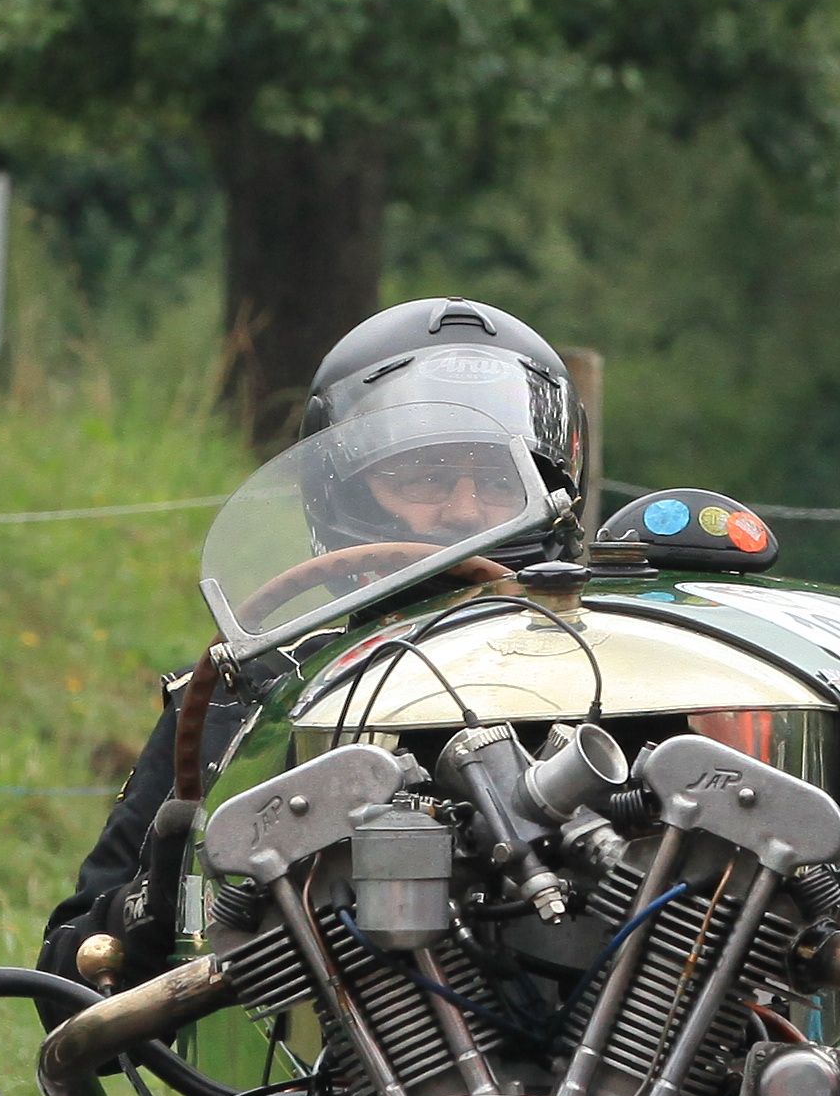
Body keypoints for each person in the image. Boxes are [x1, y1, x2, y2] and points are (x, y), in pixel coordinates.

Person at [39, 299, 584, 982]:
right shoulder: (249, 695)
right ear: (342, 494)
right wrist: (167, 897)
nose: (467, 508)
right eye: (425, 477)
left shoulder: (616, 681)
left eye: (503, 481)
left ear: (558, 493)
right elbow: (69, 972)